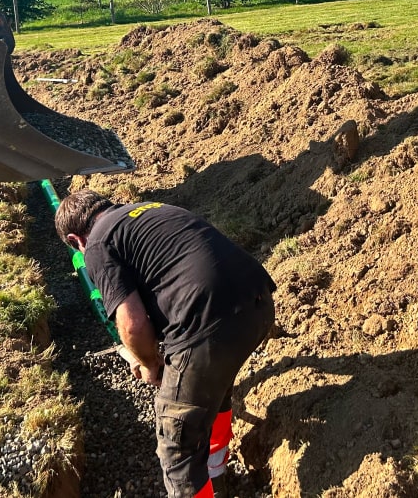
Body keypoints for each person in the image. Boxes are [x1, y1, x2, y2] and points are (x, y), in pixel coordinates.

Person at [55, 190, 276, 498]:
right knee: (215, 387)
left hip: (208, 323)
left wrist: (149, 363)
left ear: (75, 238)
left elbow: (132, 324)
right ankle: (217, 478)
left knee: (176, 448)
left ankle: (202, 485)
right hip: (259, 303)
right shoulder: (150, 209)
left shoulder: (97, 244)